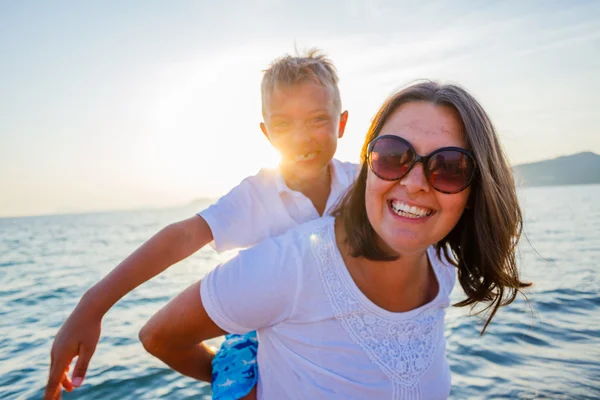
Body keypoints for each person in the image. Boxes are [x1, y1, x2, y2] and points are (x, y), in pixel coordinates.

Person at [139, 81, 530, 399]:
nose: (413, 184)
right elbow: (161, 336)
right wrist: (250, 388)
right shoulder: (288, 261)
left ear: (475, 189)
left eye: (448, 168)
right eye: (394, 156)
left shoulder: (442, 260)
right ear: (368, 164)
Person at [44, 49, 355, 400]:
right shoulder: (257, 195)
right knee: (235, 387)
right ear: (267, 133)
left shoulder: (361, 185)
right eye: (284, 125)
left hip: (333, 321)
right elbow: (183, 235)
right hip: (260, 329)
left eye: (316, 120)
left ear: (341, 124)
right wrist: (92, 305)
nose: (301, 137)